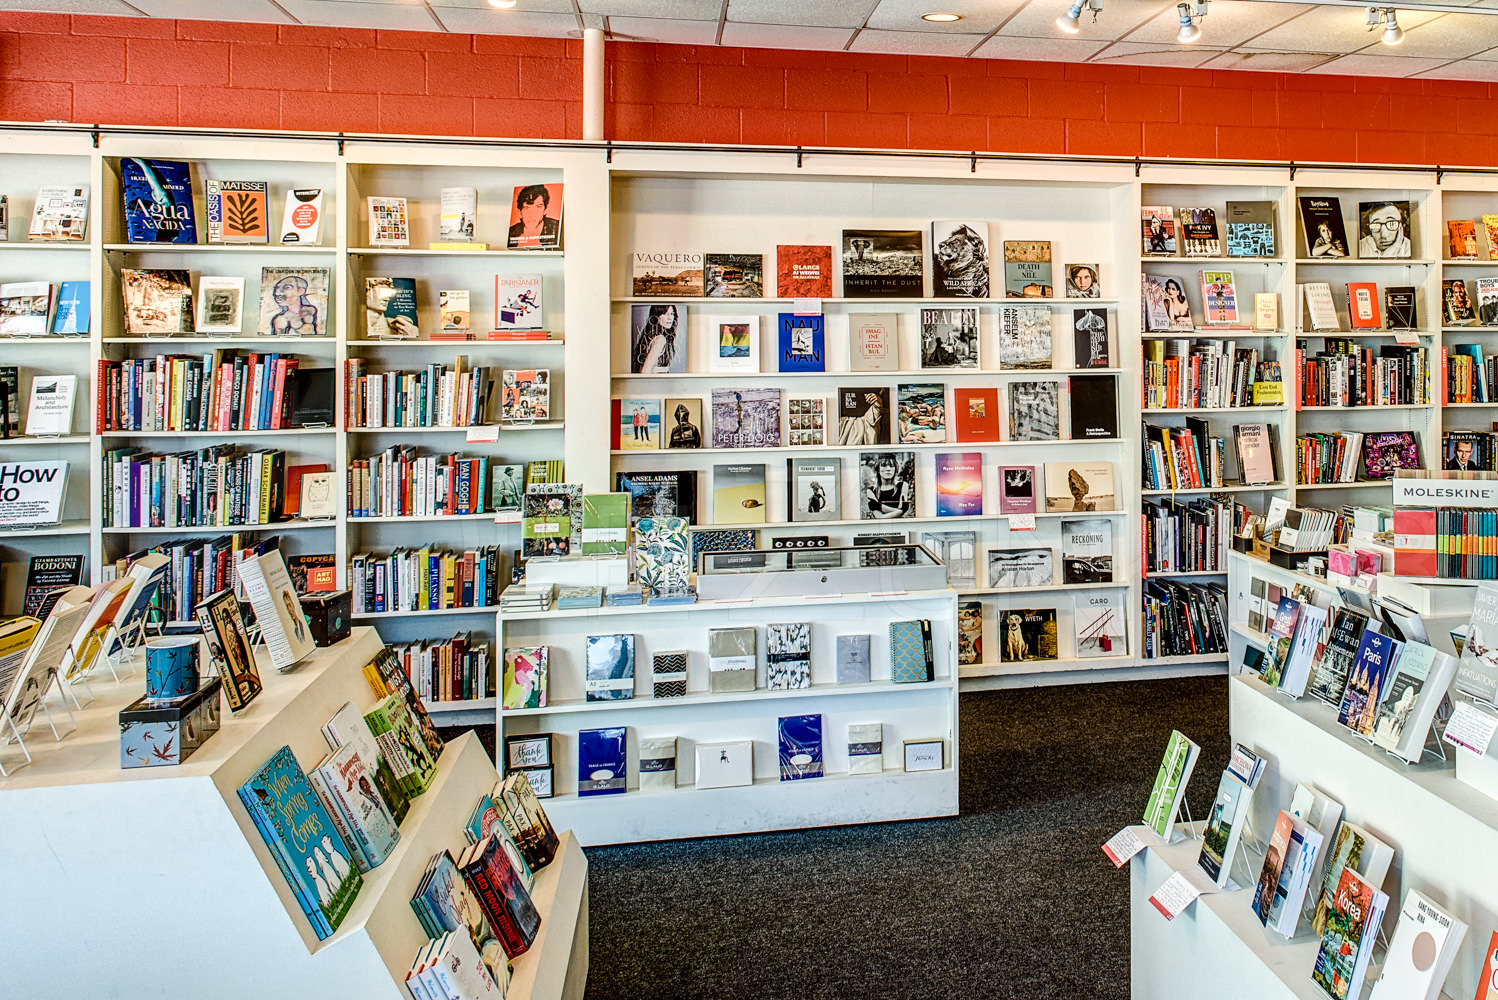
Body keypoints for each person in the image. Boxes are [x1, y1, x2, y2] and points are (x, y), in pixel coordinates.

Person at [508, 184, 560, 249]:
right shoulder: (511, 232)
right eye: (527, 208)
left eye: (538, 207)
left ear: (545, 210)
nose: (532, 214)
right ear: (520, 212)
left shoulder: (558, 228)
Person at [631, 304, 681, 372]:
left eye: (672, 314)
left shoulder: (650, 335)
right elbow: (645, 371)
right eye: (665, 313)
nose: (669, 318)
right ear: (656, 316)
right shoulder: (660, 339)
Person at [864, 454, 911, 518]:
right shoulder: (871, 491)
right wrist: (900, 511)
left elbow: (904, 510)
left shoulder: (903, 485)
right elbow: (879, 517)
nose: (888, 469)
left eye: (892, 466)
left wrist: (878, 505)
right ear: (878, 469)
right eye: (884, 466)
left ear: (895, 469)